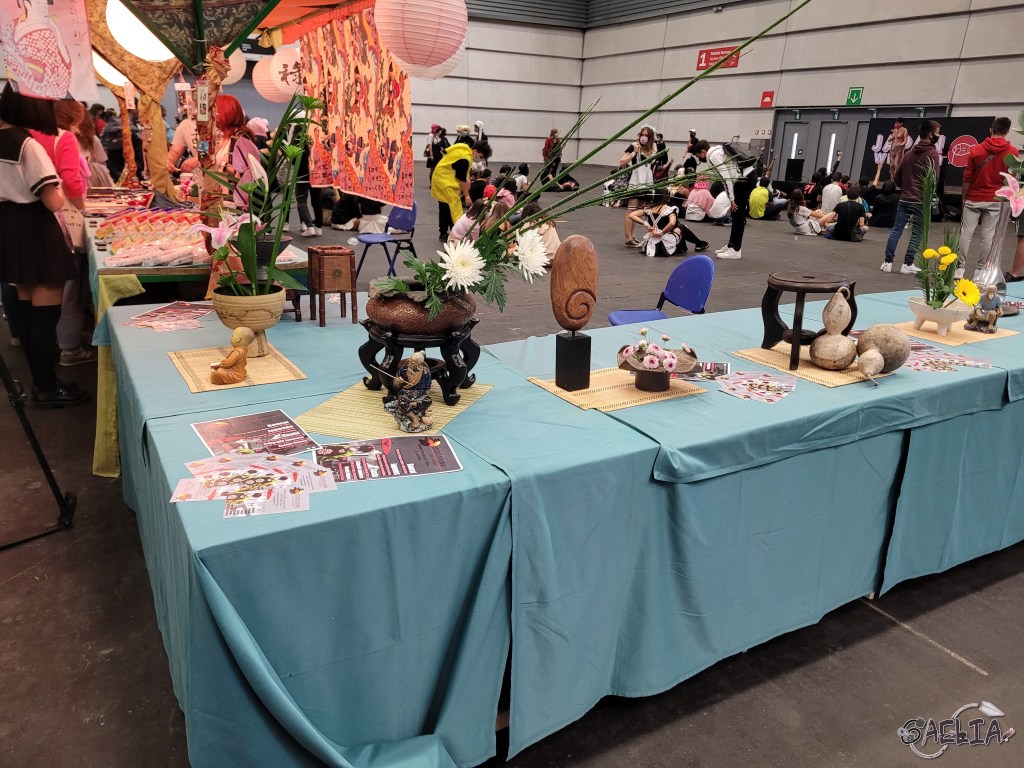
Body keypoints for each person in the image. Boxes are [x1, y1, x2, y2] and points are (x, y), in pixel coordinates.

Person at [0, 86, 88, 407]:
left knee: (26, 308)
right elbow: (53, 201)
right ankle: (47, 388)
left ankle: (41, 383)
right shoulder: (27, 144)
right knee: (45, 315)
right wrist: (60, 189)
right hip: (35, 227)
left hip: (8, 225)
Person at [30, 100, 95, 367]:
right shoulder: (64, 137)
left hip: (28, 220)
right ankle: (69, 348)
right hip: (59, 218)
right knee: (69, 287)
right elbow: (70, 179)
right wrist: (82, 207)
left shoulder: (28, 136)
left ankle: (34, 348)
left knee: (33, 290)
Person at [959, 117, 1019, 276]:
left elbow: (967, 177)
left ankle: (959, 268)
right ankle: (980, 270)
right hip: (996, 200)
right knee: (988, 236)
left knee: (966, 234)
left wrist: (964, 197)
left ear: (991, 130)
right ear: (1007, 132)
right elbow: (1011, 179)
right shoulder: (1012, 152)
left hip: (973, 198)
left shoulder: (976, 150)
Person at [882, 120, 942, 274]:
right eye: (937, 132)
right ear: (931, 134)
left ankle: (887, 262)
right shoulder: (933, 154)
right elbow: (934, 179)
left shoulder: (908, 154)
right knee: (917, 233)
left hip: (904, 199)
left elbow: (897, 176)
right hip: (921, 201)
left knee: (896, 230)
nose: (938, 135)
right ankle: (907, 264)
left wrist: (906, 189)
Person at [695, 139, 756, 259]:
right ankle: (731, 245)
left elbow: (726, 178)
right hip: (746, 176)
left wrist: (731, 199)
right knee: (735, 214)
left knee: (738, 215)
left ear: (702, 151)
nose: (699, 159)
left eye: (698, 156)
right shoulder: (718, 150)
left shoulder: (712, 156)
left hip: (744, 179)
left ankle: (735, 250)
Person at [430, 133, 473, 242]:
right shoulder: (464, 157)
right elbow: (461, 178)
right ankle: (446, 233)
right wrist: (467, 196)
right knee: (448, 208)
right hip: (445, 183)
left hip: (443, 180)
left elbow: (462, 174)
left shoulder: (461, 152)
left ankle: (449, 232)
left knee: (449, 208)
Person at [620, 125, 658, 247]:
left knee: (637, 211)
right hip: (636, 180)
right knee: (631, 210)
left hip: (646, 181)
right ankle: (628, 238)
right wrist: (633, 153)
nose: (644, 137)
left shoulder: (653, 148)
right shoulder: (634, 146)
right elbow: (621, 162)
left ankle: (632, 236)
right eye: (642, 135)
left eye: (647, 135)